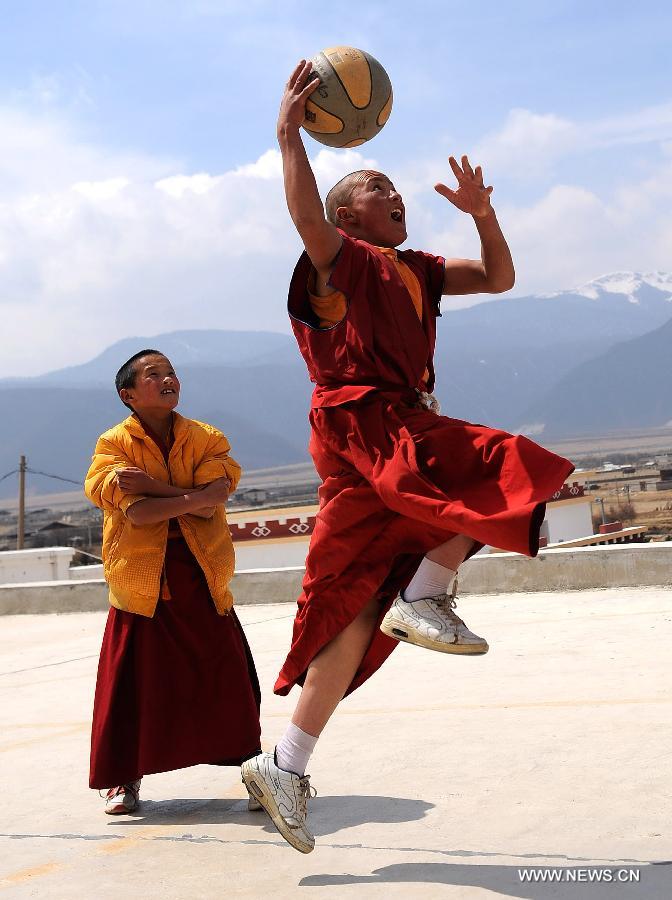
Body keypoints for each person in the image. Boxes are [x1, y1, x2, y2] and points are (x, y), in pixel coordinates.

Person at [241, 61, 574, 853]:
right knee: (502, 466)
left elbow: (497, 276)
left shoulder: (417, 268)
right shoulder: (341, 261)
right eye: (377, 186)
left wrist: (484, 214)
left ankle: (285, 765)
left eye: (395, 189)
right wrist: (289, 136)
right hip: (368, 423)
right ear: (346, 212)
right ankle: (428, 593)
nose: (394, 196)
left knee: (350, 608)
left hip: (382, 442)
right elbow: (304, 219)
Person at [85, 349, 261, 814]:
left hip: (203, 573)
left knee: (224, 677)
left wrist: (156, 488)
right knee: (131, 686)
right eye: (153, 374)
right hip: (141, 584)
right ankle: (123, 780)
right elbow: (138, 513)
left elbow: (211, 504)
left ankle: (257, 775)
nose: (168, 379)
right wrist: (192, 496)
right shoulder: (112, 446)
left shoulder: (205, 437)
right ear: (128, 395)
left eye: (171, 372)